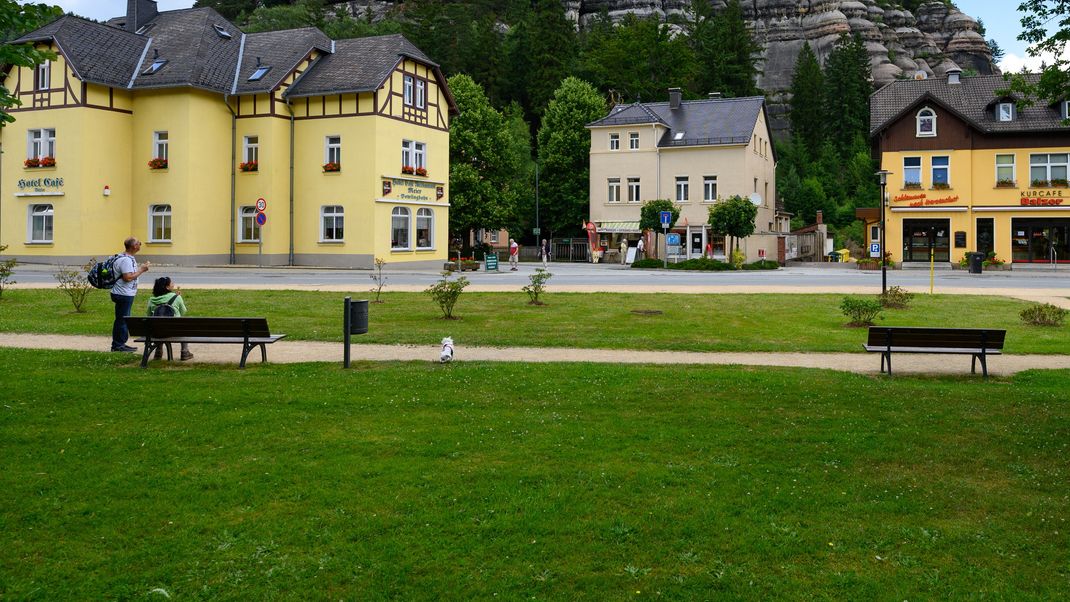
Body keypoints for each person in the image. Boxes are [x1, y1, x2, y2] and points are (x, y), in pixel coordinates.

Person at [110, 237, 150, 352]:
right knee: (122, 320)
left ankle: (120, 343)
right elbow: (127, 277)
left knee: (121, 319)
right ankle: (118, 345)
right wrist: (142, 269)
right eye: (139, 243)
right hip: (123, 294)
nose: (140, 245)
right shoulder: (126, 260)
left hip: (123, 293)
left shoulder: (126, 258)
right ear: (134, 246)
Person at [148, 276, 193, 361]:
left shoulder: (151, 300)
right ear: (167, 287)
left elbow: (149, 315)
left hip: (158, 331)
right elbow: (183, 312)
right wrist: (178, 298)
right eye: (171, 283)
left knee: (158, 325)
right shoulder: (176, 297)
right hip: (175, 330)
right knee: (184, 326)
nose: (173, 284)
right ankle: (184, 351)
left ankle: (158, 351)